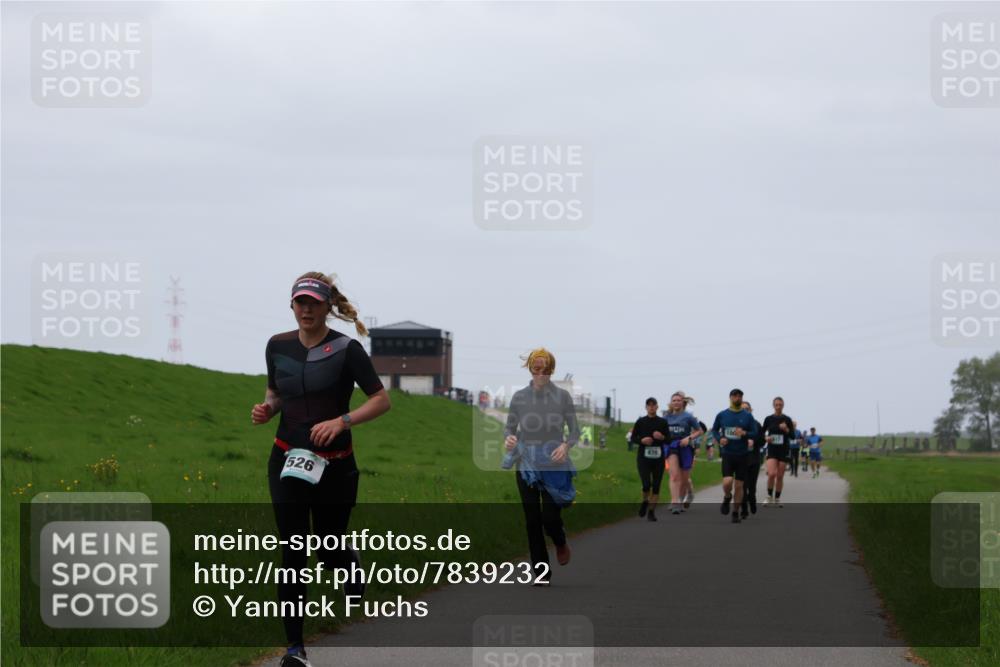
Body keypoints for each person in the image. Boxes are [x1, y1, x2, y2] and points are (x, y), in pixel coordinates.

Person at [252, 272, 392, 667]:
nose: (307, 309)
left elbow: (381, 401)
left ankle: (348, 564)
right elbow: (277, 393)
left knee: (329, 547)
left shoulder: (347, 349)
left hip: (335, 465)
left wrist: (342, 422)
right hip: (287, 458)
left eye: (315, 302)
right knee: (294, 550)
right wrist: (267, 410)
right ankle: (295, 649)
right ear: (292, 305)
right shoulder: (276, 345)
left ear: (327, 306)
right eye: (301, 302)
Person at [504, 348, 579, 586]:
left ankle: (559, 540)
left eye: (546, 370)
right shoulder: (519, 398)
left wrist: (566, 447)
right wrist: (509, 438)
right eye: (537, 369)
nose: (541, 374)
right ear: (530, 369)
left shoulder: (562, 398)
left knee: (549, 516)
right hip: (526, 462)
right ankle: (541, 572)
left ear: (551, 370)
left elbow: (575, 430)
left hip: (554, 462)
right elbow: (510, 428)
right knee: (532, 519)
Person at [711, 389, 758, 524]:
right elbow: (714, 430)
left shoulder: (748, 416)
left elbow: (755, 433)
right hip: (728, 454)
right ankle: (727, 496)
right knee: (727, 482)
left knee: (739, 486)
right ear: (730, 397)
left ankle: (735, 512)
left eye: (740, 396)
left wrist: (744, 433)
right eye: (735, 396)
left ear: (742, 398)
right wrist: (720, 438)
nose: (737, 398)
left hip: (743, 455)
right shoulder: (722, 415)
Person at [629, 397, 670, 521]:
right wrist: (642, 440)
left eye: (653, 405)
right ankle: (645, 501)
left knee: (656, 486)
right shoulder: (641, 422)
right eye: (649, 405)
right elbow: (632, 438)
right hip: (643, 458)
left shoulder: (663, 422)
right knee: (646, 485)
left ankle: (651, 512)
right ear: (646, 407)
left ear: (657, 407)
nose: (651, 407)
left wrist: (662, 437)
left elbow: (669, 439)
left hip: (658, 459)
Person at [664, 392, 703, 514]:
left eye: (678, 400)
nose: (676, 402)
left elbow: (699, 430)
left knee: (684, 479)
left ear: (682, 402)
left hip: (685, 447)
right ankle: (675, 502)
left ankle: (680, 500)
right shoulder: (666, 417)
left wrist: (689, 438)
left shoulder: (688, 417)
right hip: (672, 447)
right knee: (674, 476)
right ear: (671, 403)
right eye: (674, 400)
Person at [762, 397, 795, 507]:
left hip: (783, 450)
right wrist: (766, 437)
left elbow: (793, 436)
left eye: (780, 404)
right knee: (771, 474)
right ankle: (768, 496)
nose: (778, 406)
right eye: (776, 404)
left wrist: (786, 430)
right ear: (773, 405)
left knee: (780, 476)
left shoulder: (787, 419)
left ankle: (777, 498)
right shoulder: (768, 419)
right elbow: (762, 433)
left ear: (783, 405)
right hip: (772, 449)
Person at [739, 400, 764, 519]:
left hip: (754, 459)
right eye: (742, 409)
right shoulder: (736, 425)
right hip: (740, 459)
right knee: (742, 485)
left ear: (750, 411)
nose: (744, 411)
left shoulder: (756, 424)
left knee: (751, 486)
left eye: (747, 409)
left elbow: (763, 441)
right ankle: (744, 509)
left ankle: (752, 498)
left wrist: (754, 441)